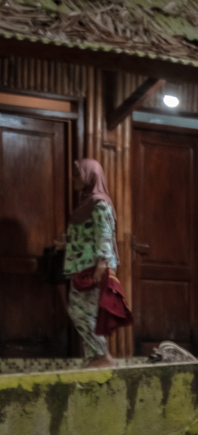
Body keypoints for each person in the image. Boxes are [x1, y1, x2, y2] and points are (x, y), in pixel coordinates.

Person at [63, 158, 118, 369]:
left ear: (89, 176)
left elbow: (104, 233)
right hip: (83, 264)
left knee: (79, 311)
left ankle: (102, 355)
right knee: (87, 312)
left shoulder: (99, 202)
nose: (74, 179)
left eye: (78, 175)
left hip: (93, 267)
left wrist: (102, 263)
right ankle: (94, 359)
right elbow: (87, 234)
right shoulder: (86, 202)